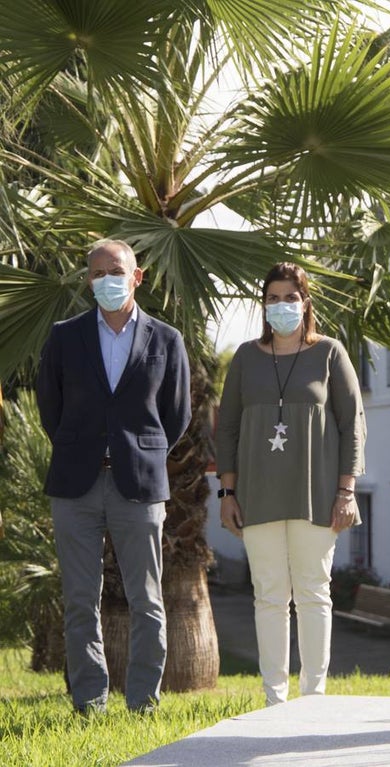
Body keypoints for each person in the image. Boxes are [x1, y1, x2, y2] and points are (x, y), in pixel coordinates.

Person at [36, 239, 191, 715]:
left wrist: (141, 451)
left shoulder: (166, 340)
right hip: (75, 485)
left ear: (137, 276)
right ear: (88, 280)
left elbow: (177, 414)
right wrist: (81, 445)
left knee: (146, 600)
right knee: (81, 600)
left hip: (139, 485)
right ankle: (90, 702)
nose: (108, 279)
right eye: (98, 272)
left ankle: (143, 702)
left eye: (117, 270)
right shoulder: (65, 336)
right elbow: (51, 407)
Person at [215, 263, 366, 707]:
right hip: (256, 495)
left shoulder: (330, 353)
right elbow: (227, 430)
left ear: (306, 304)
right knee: (269, 595)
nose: (282, 306)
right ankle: (274, 698)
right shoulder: (244, 357)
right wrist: (226, 494)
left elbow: (352, 425)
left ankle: (313, 696)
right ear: (264, 305)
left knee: (315, 593)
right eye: (274, 298)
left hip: (317, 495)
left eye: (290, 298)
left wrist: (346, 491)